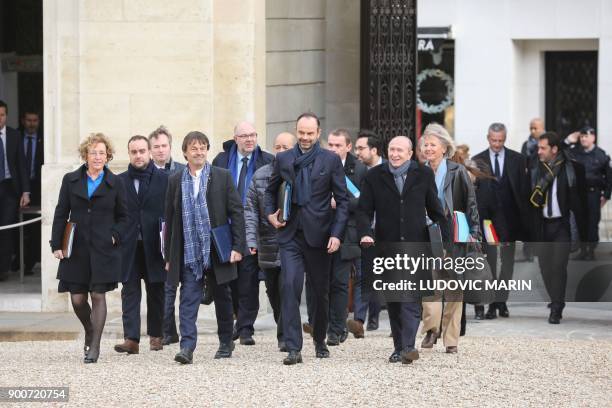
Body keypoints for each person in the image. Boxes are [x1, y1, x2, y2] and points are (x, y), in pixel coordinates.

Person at [264, 112, 349, 365]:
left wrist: (336, 234)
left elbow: (343, 201)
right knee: (289, 286)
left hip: (320, 237)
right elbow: (270, 190)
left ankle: (320, 339)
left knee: (319, 293)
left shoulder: (330, 160)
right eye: (301, 132)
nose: (304, 137)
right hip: (290, 234)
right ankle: (293, 347)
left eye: (310, 133)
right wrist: (270, 214)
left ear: (318, 133)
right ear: (296, 130)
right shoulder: (284, 158)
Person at [358, 135, 446, 364]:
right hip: (386, 248)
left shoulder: (423, 174)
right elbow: (364, 210)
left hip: (417, 246)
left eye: (400, 150)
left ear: (410, 153)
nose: (395, 154)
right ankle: (399, 347)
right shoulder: (374, 176)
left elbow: (436, 210)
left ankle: (408, 347)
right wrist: (365, 232)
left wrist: (441, 240)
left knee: (411, 299)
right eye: (392, 150)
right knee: (395, 300)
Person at [164, 131, 245, 364]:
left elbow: (236, 212)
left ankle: (225, 342)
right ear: (185, 153)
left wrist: (238, 246)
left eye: (202, 147)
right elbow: (170, 220)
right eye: (194, 148)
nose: (198, 152)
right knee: (188, 298)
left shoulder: (222, 176)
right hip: (189, 251)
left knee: (223, 297)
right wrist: (169, 255)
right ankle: (186, 347)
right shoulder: (175, 180)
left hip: (217, 249)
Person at [50, 133, 129, 363]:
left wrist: (115, 236)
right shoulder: (70, 180)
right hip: (76, 248)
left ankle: (94, 347)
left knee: (98, 294)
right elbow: (60, 213)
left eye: (102, 153)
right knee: (76, 299)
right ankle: (90, 329)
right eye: (93, 152)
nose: (97, 157)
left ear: (108, 156)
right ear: (85, 155)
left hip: (104, 249)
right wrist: (57, 244)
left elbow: (125, 217)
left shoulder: (116, 183)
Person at [419, 123, 480, 354]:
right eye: (425, 144)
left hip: (454, 236)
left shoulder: (457, 171)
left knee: (454, 288)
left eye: (433, 145)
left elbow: (471, 204)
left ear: (444, 148)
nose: (428, 148)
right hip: (427, 236)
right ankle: (431, 328)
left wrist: (474, 234)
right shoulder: (418, 171)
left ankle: (451, 339)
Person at [212, 121, 273, 345]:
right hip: (227, 227)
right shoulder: (221, 160)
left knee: (248, 278)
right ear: (235, 138)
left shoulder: (267, 160)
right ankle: (238, 319)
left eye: (253, 135)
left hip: (253, 227)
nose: (249, 139)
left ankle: (246, 327)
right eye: (244, 135)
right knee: (231, 278)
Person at [114, 135, 168, 355]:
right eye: (134, 152)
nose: (138, 155)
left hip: (155, 245)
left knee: (157, 290)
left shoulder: (165, 179)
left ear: (149, 152)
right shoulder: (119, 181)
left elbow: (170, 211)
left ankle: (156, 336)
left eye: (142, 151)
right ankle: (131, 339)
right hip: (128, 246)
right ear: (129, 154)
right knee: (130, 291)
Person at [245, 131, 296, 352]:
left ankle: (285, 336)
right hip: (267, 242)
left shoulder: (301, 173)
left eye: (285, 147)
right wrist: (250, 239)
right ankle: (282, 327)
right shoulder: (260, 175)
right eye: (277, 147)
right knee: (274, 291)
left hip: (293, 242)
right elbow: (250, 211)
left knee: (288, 288)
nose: (281, 151)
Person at [528, 131, 586, 324]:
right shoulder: (535, 168)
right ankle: (555, 299)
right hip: (542, 225)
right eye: (538, 147)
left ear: (554, 149)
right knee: (545, 268)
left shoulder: (571, 168)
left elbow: (582, 201)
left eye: (543, 148)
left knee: (559, 267)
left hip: (562, 225)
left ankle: (557, 307)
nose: (539, 151)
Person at [315, 129, 367, 346]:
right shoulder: (321, 163)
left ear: (348, 146)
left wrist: (341, 201)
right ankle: (323, 325)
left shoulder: (360, 169)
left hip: (348, 232)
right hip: (322, 229)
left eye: (338, 145)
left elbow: (365, 201)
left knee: (340, 282)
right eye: (331, 145)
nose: (334, 149)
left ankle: (337, 328)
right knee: (322, 282)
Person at [472, 123, 528, 319]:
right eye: (494, 140)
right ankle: (491, 303)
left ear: (505, 138)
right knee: (490, 263)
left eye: (501, 141)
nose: (497, 144)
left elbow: (523, 190)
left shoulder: (518, 159)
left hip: (510, 220)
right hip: (488, 222)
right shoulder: (477, 160)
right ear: (488, 138)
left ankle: (501, 301)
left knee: (507, 263)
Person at [148, 126, 186, 346]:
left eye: (164, 146)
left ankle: (176, 330)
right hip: (155, 235)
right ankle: (166, 331)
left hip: (178, 232)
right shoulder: (146, 172)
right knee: (164, 285)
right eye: (156, 147)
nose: (161, 150)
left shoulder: (182, 170)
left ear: (170, 147)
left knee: (182, 284)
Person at [348, 130, 383, 334]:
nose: (357, 152)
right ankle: (360, 319)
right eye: (356, 148)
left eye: (361, 148)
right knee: (364, 274)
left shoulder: (389, 169)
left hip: (387, 231)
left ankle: (375, 315)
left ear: (374, 150)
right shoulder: (358, 171)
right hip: (365, 230)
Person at [564, 127, 610, 260]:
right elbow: (561, 153)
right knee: (580, 222)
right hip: (578, 194)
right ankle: (583, 250)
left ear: (593, 137)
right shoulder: (575, 152)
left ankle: (591, 251)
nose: (583, 139)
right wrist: (568, 141)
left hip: (593, 194)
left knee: (592, 223)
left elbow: (609, 176)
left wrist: (606, 195)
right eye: (582, 136)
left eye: (586, 136)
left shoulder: (601, 155)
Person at [0, 100, 30, 282]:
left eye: (2, 115)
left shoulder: (14, 135)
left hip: (10, 189)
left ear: (6, 116)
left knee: (6, 229)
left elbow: (21, 165)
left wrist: (26, 192)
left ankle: (2, 269)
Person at [18, 109, 43, 275]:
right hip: (18, 187)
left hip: (39, 187)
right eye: (29, 120)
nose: (32, 123)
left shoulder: (46, 140)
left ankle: (30, 261)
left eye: (35, 120)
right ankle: (16, 260)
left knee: (34, 226)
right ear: (23, 121)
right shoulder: (16, 137)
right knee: (15, 225)